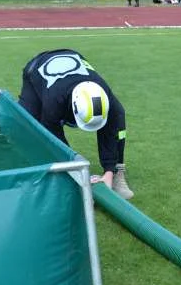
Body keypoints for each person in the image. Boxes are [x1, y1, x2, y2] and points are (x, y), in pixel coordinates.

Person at [18, 49, 134, 199]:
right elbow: (55, 139)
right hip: (35, 70)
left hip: (72, 62)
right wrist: (78, 172)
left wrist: (108, 173)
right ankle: (45, 172)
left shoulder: (103, 93)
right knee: (30, 123)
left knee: (118, 117)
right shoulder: (54, 101)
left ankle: (117, 172)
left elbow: (110, 130)